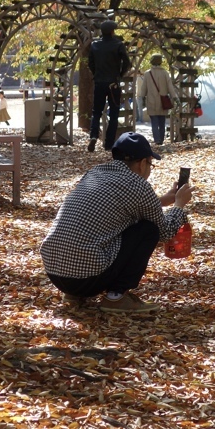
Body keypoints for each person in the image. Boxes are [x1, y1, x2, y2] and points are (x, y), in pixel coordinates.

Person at [41, 132, 193, 313]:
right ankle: (116, 297)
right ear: (142, 163)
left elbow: (113, 206)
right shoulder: (138, 184)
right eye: (150, 164)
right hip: (88, 278)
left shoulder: (94, 173)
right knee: (148, 230)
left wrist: (163, 200)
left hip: (55, 274)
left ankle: (74, 295)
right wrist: (179, 204)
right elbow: (165, 232)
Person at [87, 19, 132, 152]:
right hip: (113, 84)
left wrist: (97, 74)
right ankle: (108, 144)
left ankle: (94, 136)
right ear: (112, 31)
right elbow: (127, 62)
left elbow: (90, 63)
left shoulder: (94, 45)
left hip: (99, 82)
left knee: (96, 112)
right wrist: (120, 74)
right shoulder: (118, 45)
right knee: (114, 114)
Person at [136, 54, 176, 147]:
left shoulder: (147, 73)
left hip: (151, 101)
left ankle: (157, 139)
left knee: (154, 121)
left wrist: (141, 97)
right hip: (163, 101)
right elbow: (170, 87)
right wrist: (175, 97)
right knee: (162, 122)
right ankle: (161, 140)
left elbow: (144, 88)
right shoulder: (165, 73)